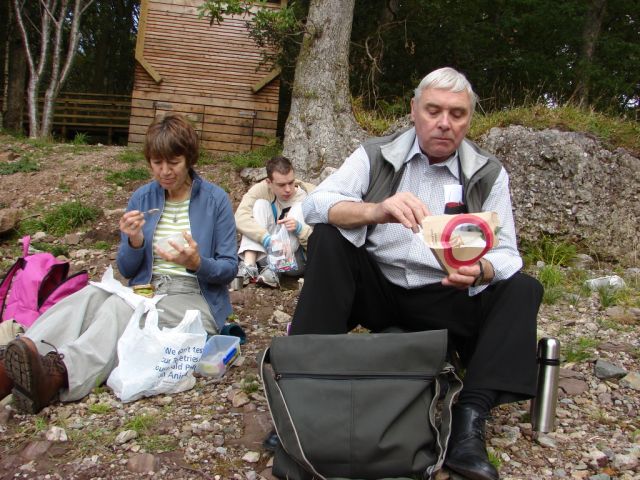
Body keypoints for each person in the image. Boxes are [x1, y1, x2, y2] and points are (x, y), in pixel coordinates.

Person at [285, 67, 543, 480]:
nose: (444, 123)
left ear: (469, 119)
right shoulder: (376, 154)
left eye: (457, 114)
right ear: (414, 110)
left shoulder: (487, 172)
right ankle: (302, 392)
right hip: (377, 289)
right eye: (433, 110)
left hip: (446, 294)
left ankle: (468, 420)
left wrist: (480, 270)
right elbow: (315, 205)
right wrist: (375, 210)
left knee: (523, 288)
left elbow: (508, 253)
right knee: (329, 238)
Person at [0, 113, 238, 414]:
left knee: (119, 308)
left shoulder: (215, 200)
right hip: (146, 289)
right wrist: (135, 241)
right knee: (89, 295)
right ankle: (15, 363)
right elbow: (126, 270)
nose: (165, 171)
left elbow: (229, 268)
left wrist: (196, 262)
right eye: (157, 163)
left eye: (173, 163)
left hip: (194, 296)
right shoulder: (143, 197)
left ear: (188, 159)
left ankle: (60, 374)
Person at [235, 156, 314, 288]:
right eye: (281, 185)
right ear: (269, 182)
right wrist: (265, 238)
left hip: (295, 261)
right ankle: (249, 267)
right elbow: (240, 217)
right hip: (266, 255)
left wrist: (300, 229)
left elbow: (319, 243)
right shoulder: (261, 189)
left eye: (291, 182)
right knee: (260, 204)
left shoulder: (309, 195)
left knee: (299, 208)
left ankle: (275, 269)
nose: (288, 189)